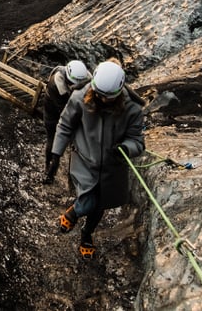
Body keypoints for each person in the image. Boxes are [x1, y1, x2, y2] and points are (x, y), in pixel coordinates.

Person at [45, 58, 145, 259]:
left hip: (112, 168)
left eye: (107, 97)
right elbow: (65, 124)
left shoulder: (132, 110)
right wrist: (56, 153)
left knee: (101, 205)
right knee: (88, 200)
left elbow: (138, 141)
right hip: (84, 161)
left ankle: (86, 234)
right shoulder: (81, 96)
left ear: (118, 93)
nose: (101, 100)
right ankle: (74, 213)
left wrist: (126, 148)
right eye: (98, 94)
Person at [41, 60, 92, 184]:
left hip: (74, 107)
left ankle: (72, 177)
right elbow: (64, 111)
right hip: (53, 112)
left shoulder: (88, 78)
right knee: (52, 139)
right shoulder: (55, 83)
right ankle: (49, 170)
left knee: (75, 145)